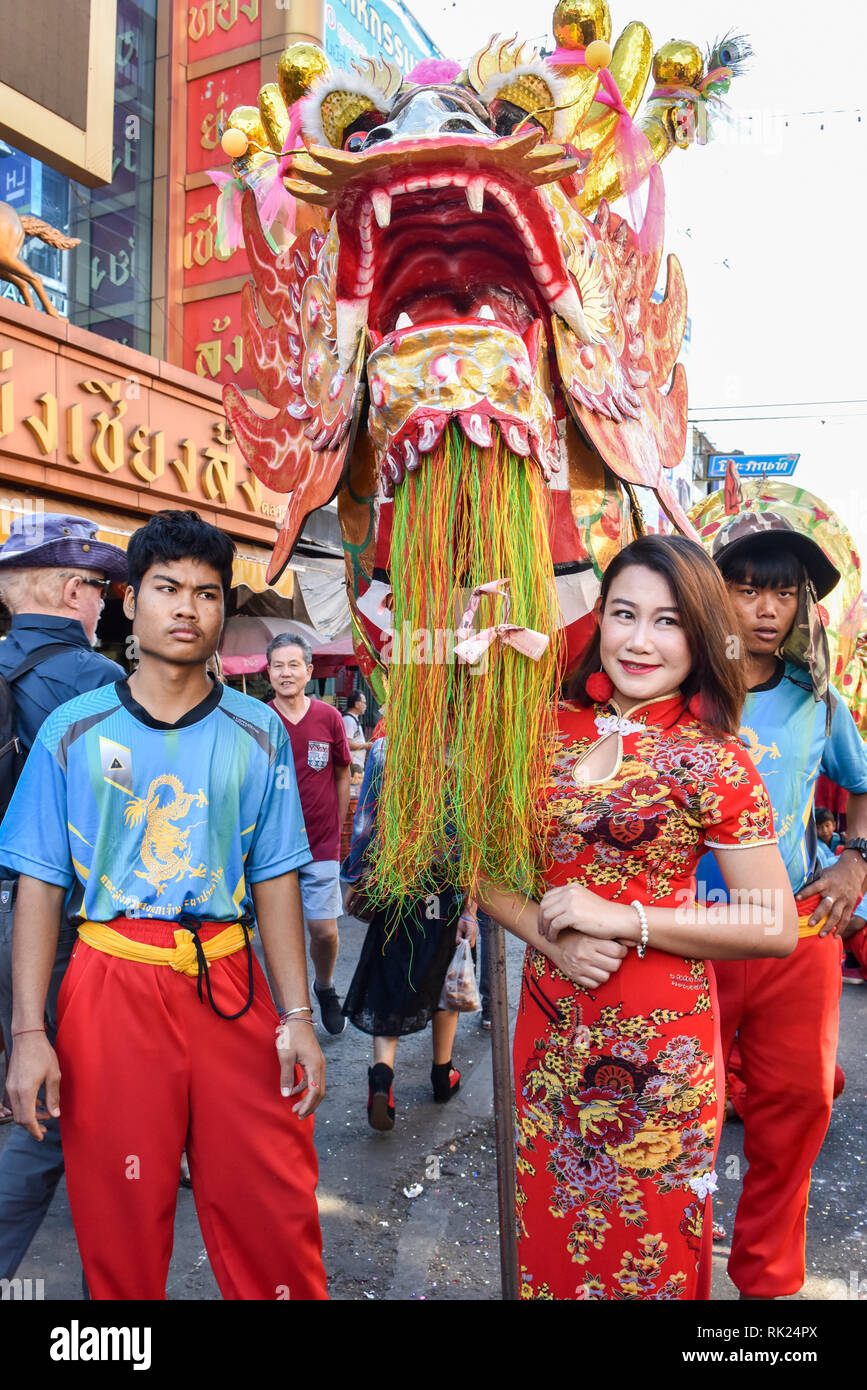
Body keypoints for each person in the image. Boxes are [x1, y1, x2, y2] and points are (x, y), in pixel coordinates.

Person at [0, 510, 327, 1300]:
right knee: (118, 1215)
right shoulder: (73, 732)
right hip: (109, 986)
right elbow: (40, 885)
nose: (187, 607)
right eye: (167, 588)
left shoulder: (257, 733)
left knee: (272, 1204)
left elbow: (276, 876)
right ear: (129, 602)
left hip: (228, 982)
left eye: (207, 594)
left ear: (223, 612)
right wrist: (29, 1035)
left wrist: (299, 1017)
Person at [475, 535, 796, 1300]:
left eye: (668, 621)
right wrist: (549, 937)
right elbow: (479, 872)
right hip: (549, 1037)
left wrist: (622, 918)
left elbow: (772, 924)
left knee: (644, 1259)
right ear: (598, 621)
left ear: (699, 636)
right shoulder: (540, 733)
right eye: (624, 614)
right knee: (551, 1244)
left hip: (660, 1060)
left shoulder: (715, 758)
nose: (640, 640)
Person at [695, 516, 867, 1300]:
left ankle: (767, 1289)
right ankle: (674, 1276)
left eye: (784, 592)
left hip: (796, 937)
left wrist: (853, 862)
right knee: (680, 1121)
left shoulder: (818, 703)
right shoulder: (672, 691)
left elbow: (859, 787)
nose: (766, 608)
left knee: (794, 1112)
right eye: (746, 587)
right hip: (682, 939)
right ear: (712, 593)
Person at [0, 513, 127, 1282]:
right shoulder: (97, 681)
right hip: (57, 921)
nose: (110, 604)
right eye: (104, 590)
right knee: (54, 1106)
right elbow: (126, 812)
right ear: (75, 590)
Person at [340, 737, 471, 1129]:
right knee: (447, 975)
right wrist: (472, 905)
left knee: (389, 976)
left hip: (396, 880)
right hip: (447, 885)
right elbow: (475, 835)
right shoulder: (470, 748)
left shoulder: (384, 749)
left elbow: (365, 820)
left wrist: (354, 876)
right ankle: (442, 1073)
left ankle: (382, 1077)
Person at [267, 634, 352, 1035]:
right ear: (268, 672)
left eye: (293, 665)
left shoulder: (328, 718)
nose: (286, 673)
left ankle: (325, 985)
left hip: (321, 844)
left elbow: (341, 772)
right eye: (278, 666)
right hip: (272, 849)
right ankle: (288, 1008)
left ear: (308, 671)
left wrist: (336, 824)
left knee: (323, 929)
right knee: (277, 934)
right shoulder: (260, 720)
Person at [342, 689, 371, 778]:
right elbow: (348, 744)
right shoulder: (349, 720)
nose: (365, 706)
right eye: (364, 703)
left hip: (357, 763)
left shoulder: (353, 719)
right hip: (353, 764)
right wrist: (366, 746)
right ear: (357, 704)